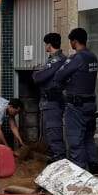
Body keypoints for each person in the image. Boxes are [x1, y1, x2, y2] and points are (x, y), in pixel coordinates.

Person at [53, 27, 98, 173]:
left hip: (76, 106)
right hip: (90, 105)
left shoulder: (76, 58)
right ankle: (94, 171)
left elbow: (59, 76)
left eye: (71, 41)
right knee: (88, 139)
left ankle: (79, 178)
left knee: (75, 143)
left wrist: (67, 81)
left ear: (74, 41)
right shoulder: (93, 57)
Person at [32, 33, 68, 163]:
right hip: (51, 102)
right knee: (51, 133)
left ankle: (60, 162)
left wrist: (36, 71)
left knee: (54, 132)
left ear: (48, 44)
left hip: (53, 101)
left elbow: (38, 77)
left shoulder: (57, 60)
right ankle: (57, 159)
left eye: (45, 44)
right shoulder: (55, 59)